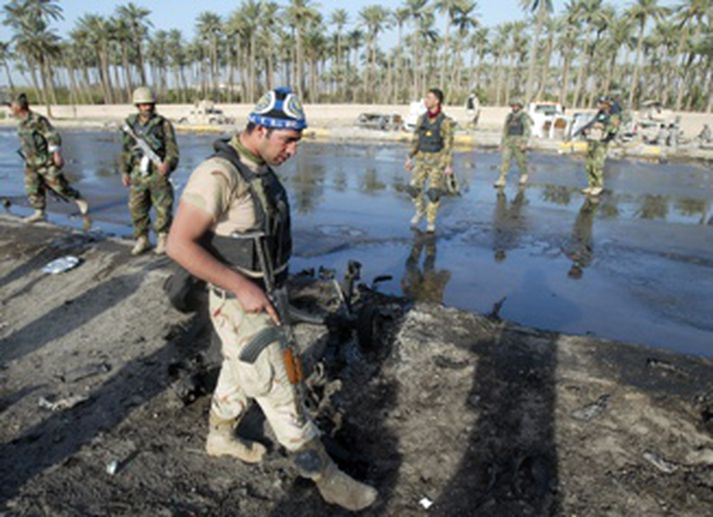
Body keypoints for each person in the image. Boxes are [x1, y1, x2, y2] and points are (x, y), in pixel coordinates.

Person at [165, 87, 377, 512]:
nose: (294, 150)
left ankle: (220, 437)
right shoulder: (219, 174)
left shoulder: (258, 168)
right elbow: (179, 244)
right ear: (260, 129)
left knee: (238, 370)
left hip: (261, 299)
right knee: (281, 394)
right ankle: (328, 479)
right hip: (239, 303)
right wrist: (243, 287)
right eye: (288, 140)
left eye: (298, 140)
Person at [6, 93, 89, 224]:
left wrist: (56, 155)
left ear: (19, 106)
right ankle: (39, 212)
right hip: (30, 162)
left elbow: (53, 136)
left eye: (11, 106)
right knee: (32, 188)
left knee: (59, 186)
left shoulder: (38, 120)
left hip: (45, 161)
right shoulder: (21, 123)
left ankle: (78, 198)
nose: (10, 108)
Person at [120, 86, 179, 255]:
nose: (147, 107)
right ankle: (142, 238)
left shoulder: (163, 124)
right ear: (137, 106)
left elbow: (172, 150)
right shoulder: (130, 125)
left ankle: (163, 238)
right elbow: (125, 150)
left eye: (149, 104)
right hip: (138, 174)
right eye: (143, 104)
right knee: (137, 207)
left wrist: (168, 164)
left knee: (163, 208)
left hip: (158, 172)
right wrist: (125, 171)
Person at [404, 88, 454, 233]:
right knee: (413, 188)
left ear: (437, 101)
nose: (426, 100)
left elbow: (448, 144)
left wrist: (448, 165)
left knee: (433, 193)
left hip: (437, 162)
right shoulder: (422, 119)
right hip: (421, 160)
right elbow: (416, 139)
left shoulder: (445, 121)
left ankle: (431, 221)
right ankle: (420, 210)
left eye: (429, 98)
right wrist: (409, 157)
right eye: (426, 98)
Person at [581, 96, 620, 197]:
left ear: (606, 104)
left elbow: (614, 129)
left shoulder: (613, 115)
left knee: (597, 164)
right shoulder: (600, 114)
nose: (598, 105)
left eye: (600, 103)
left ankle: (598, 186)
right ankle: (591, 185)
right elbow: (592, 124)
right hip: (592, 140)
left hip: (601, 142)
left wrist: (602, 126)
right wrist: (586, 131)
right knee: (589, 164)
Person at [494, 99, 531, 188]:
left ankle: (524, 174)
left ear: (520, 107)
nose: (514, 107)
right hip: (509, 141)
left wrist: (524, 142)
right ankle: (502, 178)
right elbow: (505, 130)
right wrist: (502, 143)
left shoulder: (524, 117)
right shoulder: (509, 117)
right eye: (513, 106)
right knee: (505, 160)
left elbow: (527, 130)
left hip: (519, 140)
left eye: (516, 106)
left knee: (521, 160)